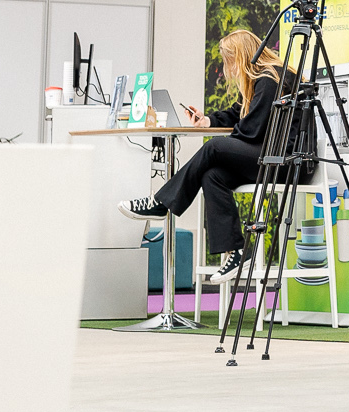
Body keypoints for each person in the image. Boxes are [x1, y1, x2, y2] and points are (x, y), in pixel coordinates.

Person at [118, 31, 279, 281]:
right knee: (212, 175)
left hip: (283, 162)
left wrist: (226, 143)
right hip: (266, 157)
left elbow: (252, 129)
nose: (230, 68)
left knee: (214, 148)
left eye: (231, 61)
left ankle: (160, 203)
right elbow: (237, 114)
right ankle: (237, 251)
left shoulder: (269, 79)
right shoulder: (259, 81)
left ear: (243, 56)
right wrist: (208, 121)